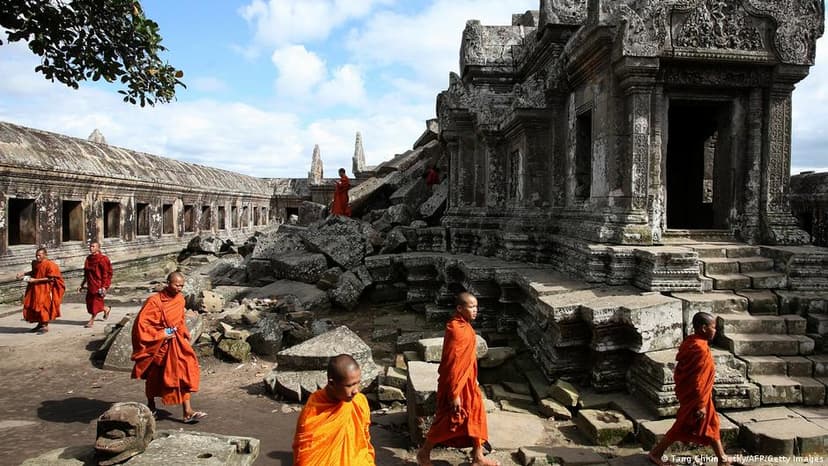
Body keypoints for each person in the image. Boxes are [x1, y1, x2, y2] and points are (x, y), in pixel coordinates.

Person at [417, 292, 499, 466]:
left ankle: (478, 456)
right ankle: (424, 453)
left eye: (476, 306)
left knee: (476, 414)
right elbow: (453, 364)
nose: (475, 310)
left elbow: (466, 360)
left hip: (468, 382)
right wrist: (454, 394)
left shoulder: (466, 326)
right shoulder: (456, 329)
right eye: (471, 307)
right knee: (449, 420)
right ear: (459, 308)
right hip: (455, 385)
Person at [648, 312, 730, 466]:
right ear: (704, 328)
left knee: (712, 424)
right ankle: (656, 453)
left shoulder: (691, 341)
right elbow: (697, 381)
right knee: (681, 427)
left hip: (701, 396)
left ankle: (722, 458)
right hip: (698, 398)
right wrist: (700, 404)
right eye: (713, 328)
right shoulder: (699, 348)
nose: (715, 331)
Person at [130, 271, 206, 423]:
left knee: (184, 372)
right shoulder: (154, 301)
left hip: (176, 343)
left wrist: (183, 333)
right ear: (168, 283)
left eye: (182, 286)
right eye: (176, 285)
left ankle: (187, 411)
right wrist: (161, 334)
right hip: (159, 346)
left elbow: (179, 319)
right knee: (154, 378)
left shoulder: (180, 300)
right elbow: (141, 325)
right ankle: (151, 405)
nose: (179, 288)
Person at [293, 354, 374, 465]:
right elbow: (306, 458)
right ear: (332, 383)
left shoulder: (359, 401)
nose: (356, 390)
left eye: (357, 383)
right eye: (350, 385)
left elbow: (364, 441)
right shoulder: (314, 410)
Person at [16, 247, 65, 334]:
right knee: (33, 305)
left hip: (45, 288)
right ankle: (40, 323)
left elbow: (51, 278)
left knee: (43, 306)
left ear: (45, 255)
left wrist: (35, 280)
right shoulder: (35, 263)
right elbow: (34, 272)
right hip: (35, 288)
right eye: (36, 255)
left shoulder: (51, 265)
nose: (37, 257)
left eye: (39, 255)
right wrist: (23, 273)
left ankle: (45, 326)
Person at [78, 240, 113, 328]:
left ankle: (91, 320)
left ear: (98, 248)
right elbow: (86, 273)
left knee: (95, 302)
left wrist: (104, 286)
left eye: (93, 246)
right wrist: (82, 284)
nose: (91, 248)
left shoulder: (103, 259)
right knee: (89, 302)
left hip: (99, 284)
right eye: (90, 246)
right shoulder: (88, 259)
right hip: (91, 284)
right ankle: (106, 309)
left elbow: (106, 273)